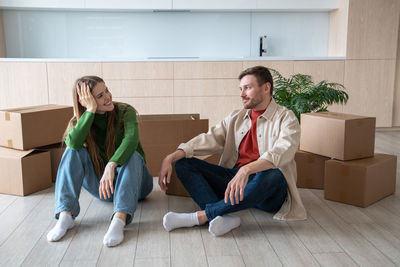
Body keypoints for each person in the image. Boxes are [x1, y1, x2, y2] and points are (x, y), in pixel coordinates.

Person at [158, 66, 307, 236]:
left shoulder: (286, 118)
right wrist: (171, 157)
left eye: (248, 88)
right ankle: (221, 217)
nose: (242, 94)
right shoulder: (236, 117)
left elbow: (283, 151)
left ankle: (203, 215)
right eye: (241, 89)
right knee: (184, 163)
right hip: (235, 183)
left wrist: (247, 169)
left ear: (266, 88)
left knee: (274, 174)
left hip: (266, 189)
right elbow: (209, 138)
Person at [47, 76, 153, 247]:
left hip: (138, 184)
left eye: (107, 91)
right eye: (99, 96)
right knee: (73, 150)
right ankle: (65, 215)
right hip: (105, 189)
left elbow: (131, 140)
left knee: (132, 155)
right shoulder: (79, 121)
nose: (108, 97)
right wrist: (90, 111)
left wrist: (112, 165)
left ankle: (119, 219)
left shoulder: (126, 111)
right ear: (86, 101)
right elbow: (73, 145)